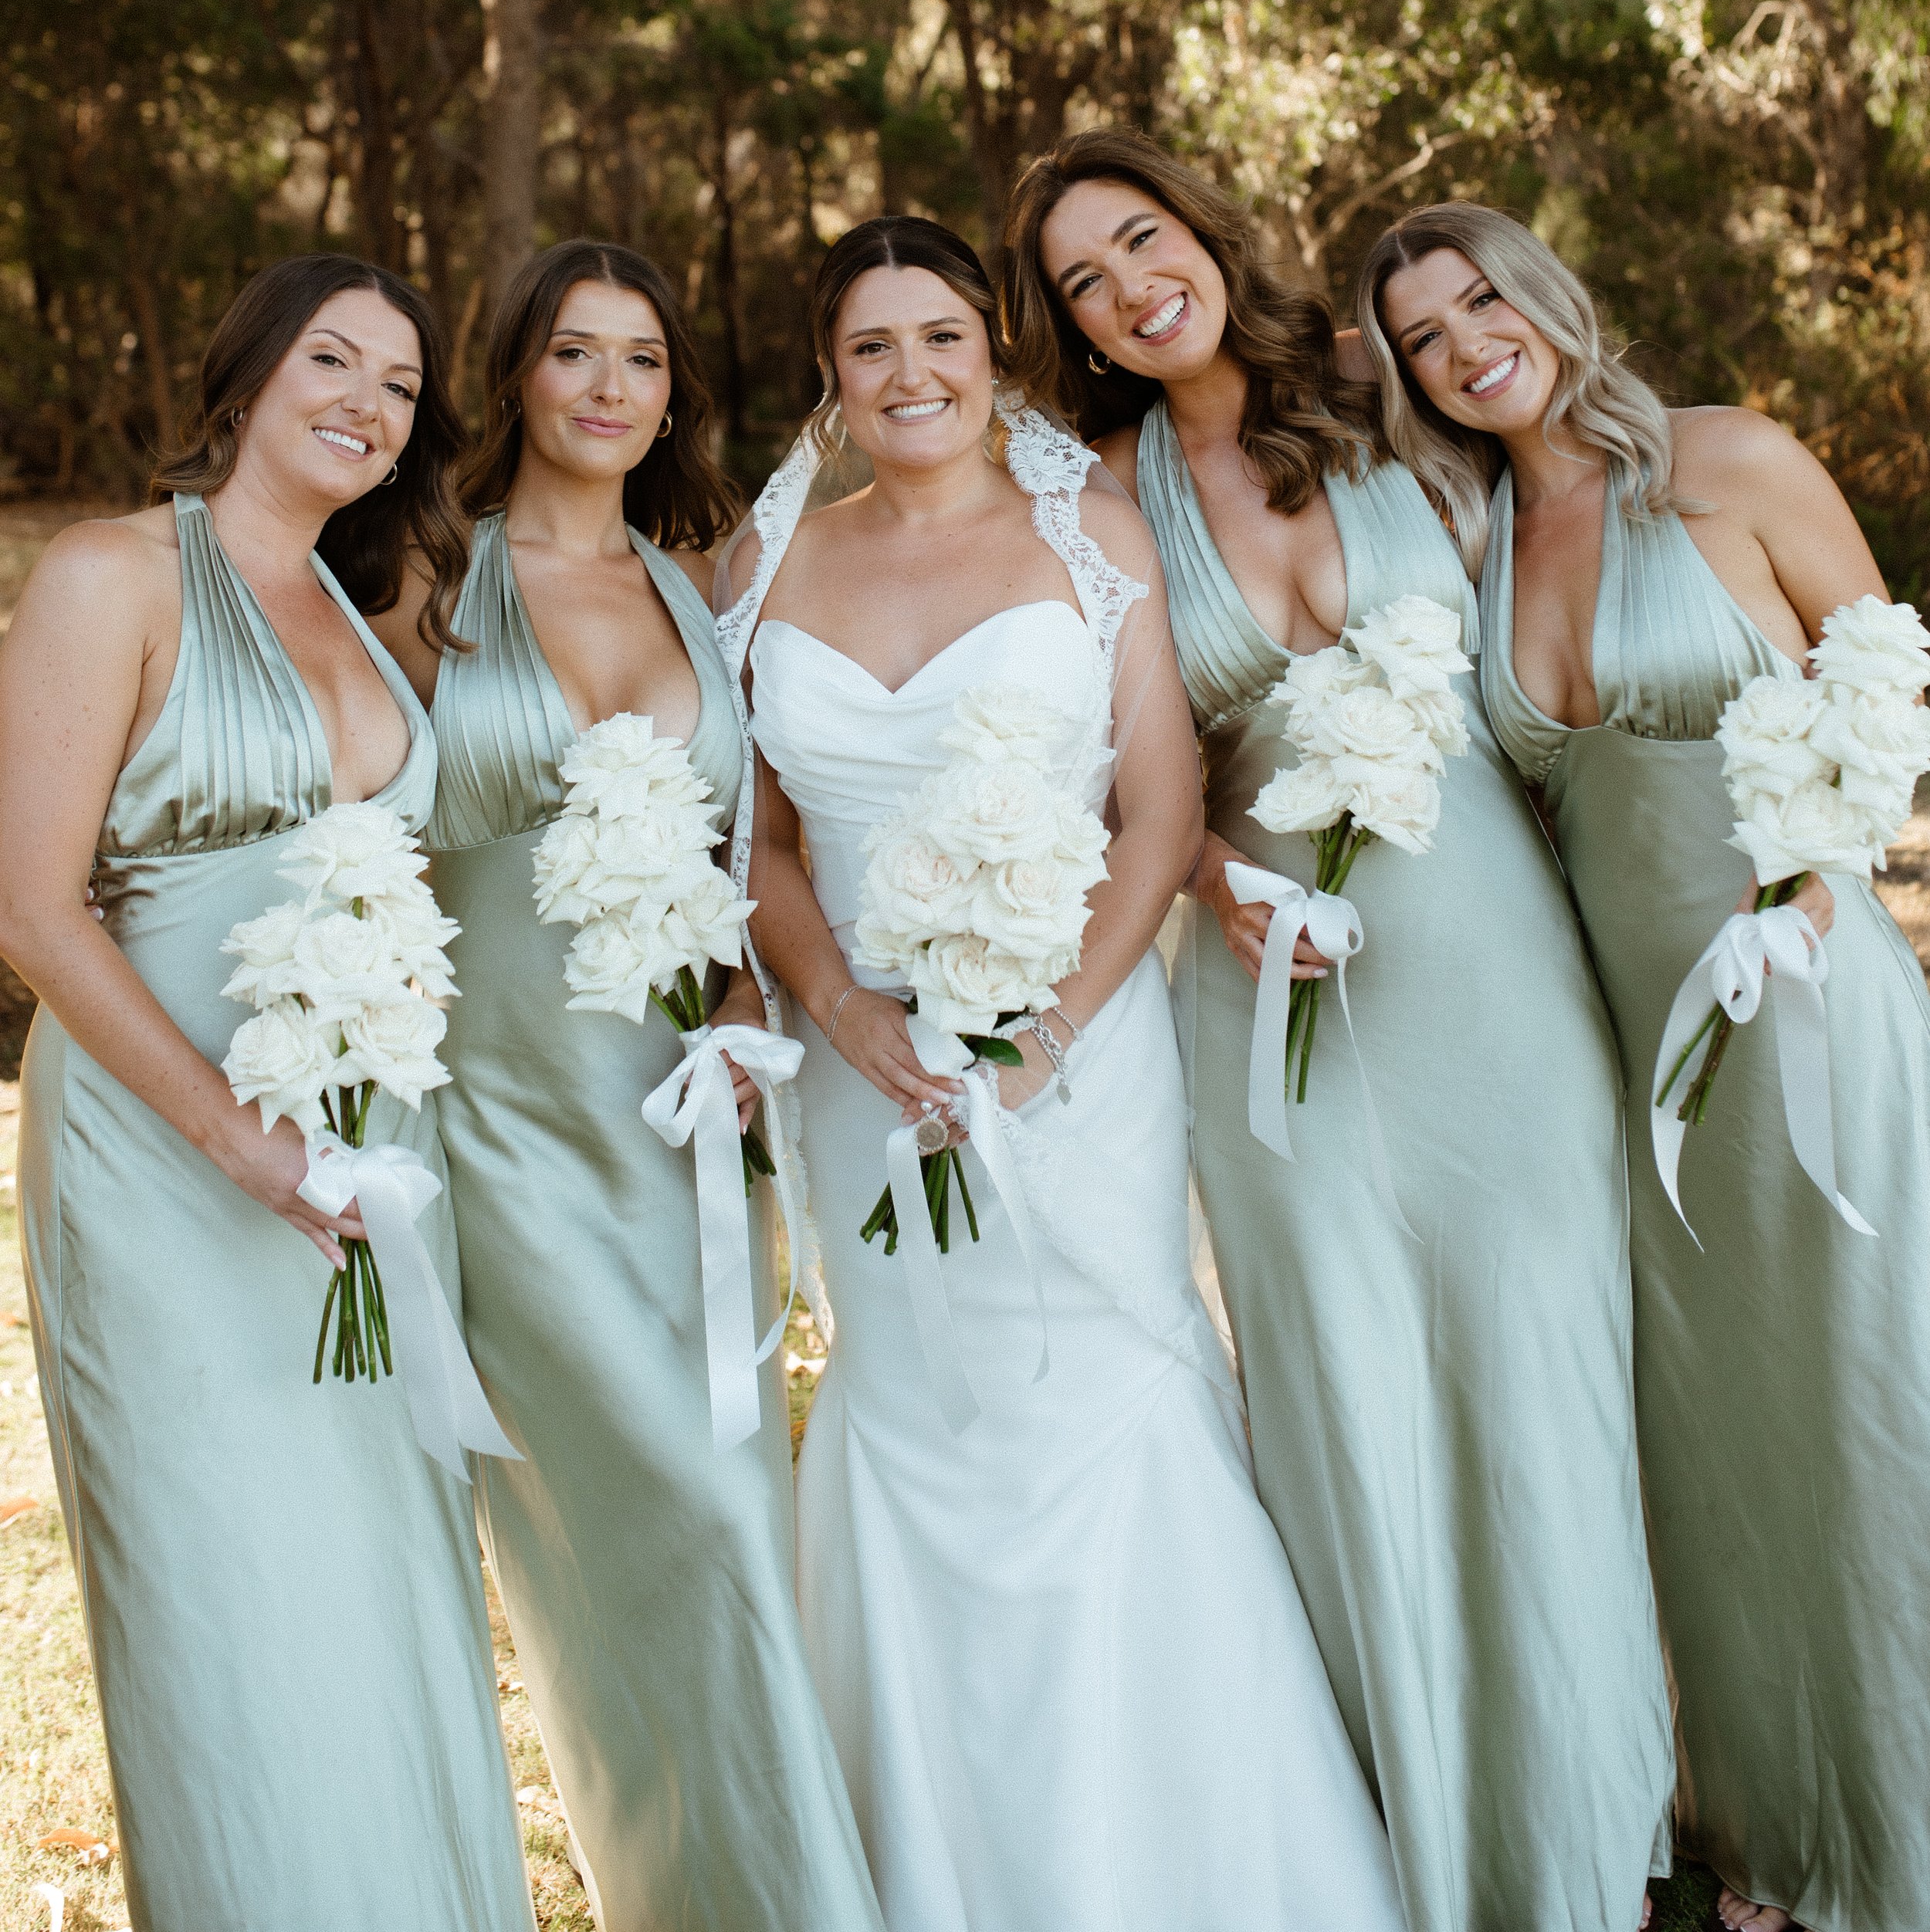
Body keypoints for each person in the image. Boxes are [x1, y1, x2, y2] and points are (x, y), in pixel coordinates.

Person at [1004, 131, 1675, 1932]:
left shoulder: (1391, 394)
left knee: (1539, 1377)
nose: (1129, 284)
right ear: (1062, 321)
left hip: (1490, 970)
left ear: (1201, 230)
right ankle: (1429, 1845)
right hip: (1268, 988)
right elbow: (1085, 760)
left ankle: (1586, 1829)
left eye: (1140, 236)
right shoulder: (1096, 494)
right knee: (1349, 1399)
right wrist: (1212, 872)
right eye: (1081, 277)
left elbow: (1579, 535)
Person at [719, 214, 1405, 1932]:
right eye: (870, 346)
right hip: (862, 1069)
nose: (909, 374)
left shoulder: (1087, 531)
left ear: (991, 352)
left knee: (1100, 1402)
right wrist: (847, 1012)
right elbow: (765, 838)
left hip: (1071, 1055)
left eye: (940, 336)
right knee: (906, 1409)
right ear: (830, 371)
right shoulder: (765, 550)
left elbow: (1159, 807)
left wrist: (1052, 1027)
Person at [1360, 200, 1930, 1932]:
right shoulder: (1464, 546)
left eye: (1480, 299)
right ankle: (1776, 1827)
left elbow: (1883, 668)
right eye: (1422, 336)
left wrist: (1820, 863)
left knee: (1870, 1396)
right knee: (1719, 1442)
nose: (1467, 344)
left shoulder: (1728, 459)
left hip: (1809, 994)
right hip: (1637, 1053)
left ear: (1546, 288)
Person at [0, 255, 533, 1932]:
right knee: (225, 1591)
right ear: (243, 376)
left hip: (360, 1166)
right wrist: (233, 1137)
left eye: (398, 385)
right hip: (167, 1163)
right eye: (332, 359)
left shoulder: (366, 619)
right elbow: (29, 902)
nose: (367, 403)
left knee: (371, 1575)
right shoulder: (111, 573)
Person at [372, 237, 882, 1932]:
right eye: (574, 353)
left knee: (739, 1501)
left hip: (686, 1125)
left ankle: (730, 1881)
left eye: (642, 359)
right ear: (513, 371)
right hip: (505, 1128)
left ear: (673, 391)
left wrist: (742, 994)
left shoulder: (694, 582)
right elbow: (347, 828)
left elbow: (743, 842)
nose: (608, 388)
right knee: (649, 1517)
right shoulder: (421, 581)